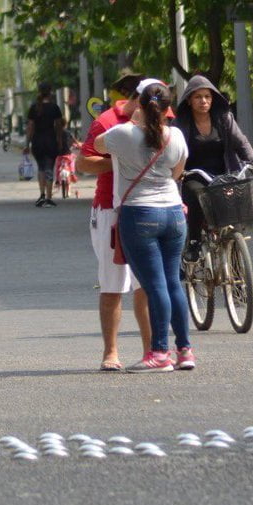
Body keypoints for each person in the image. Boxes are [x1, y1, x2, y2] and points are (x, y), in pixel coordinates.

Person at [95, 82, 192, 372]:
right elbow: (177, 173)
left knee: (155, 285)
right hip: (174, 213)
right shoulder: (175, 135)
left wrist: (134, 119)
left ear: (139, 103)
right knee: (173, 281)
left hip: (139, 214)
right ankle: (184, 350)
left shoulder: (123, 133)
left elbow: (98, 146)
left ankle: (160, 352)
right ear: (166, 108)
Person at [78, 80, 152, 371]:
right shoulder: (107, 122)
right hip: (111, 210)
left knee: (146, 284)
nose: (157, 109)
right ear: (134, 99)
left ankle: (152, 351)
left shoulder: (161, 118)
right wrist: (121, 161)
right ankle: (111, 352)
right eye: (148, 100)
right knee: (113, 282)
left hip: (149, 208)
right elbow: (83, 162)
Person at [173, 74, 253, 260]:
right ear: (189, 100)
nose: (203, 101)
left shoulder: (224, 118)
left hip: (224, 174)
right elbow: (172, 151)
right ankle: (194, 242)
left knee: (234, 217)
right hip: (193, 175)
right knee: (196, 196)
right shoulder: (180, 124)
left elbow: (241, 143)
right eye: (198, 97)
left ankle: (237, 265)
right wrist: (176, 171)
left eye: (207, 96)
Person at [26, 82, 65, 206]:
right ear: (50, 92)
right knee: (49, 167)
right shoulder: (54, 107)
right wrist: (59, 140)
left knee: (41, 167)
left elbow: (30, 126)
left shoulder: (34, 107)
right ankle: (48, 197)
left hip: (37, 141)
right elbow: (58, 126)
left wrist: (27, 143)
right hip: (50, 140)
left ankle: (42, 195)